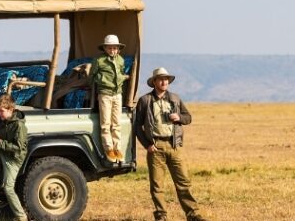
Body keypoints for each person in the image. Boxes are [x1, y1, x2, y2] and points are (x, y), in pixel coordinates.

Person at [133, 67, 207, 221]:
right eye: (160, 79)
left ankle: (193, 214)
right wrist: (147, 144)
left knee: (183, 182)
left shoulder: (175, 99)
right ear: (154, 82)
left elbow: (188, 118)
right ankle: (161, 216)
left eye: (166, 79)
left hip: (174, 146)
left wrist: (178, 117)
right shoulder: (145, 100)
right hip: (155, 147)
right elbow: (137, 126)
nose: (164, 81)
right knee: (157, 186)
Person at [87, 33, 128, 161]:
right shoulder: (99, 60)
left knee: (116, 123)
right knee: (105, 123)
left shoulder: (121, 60)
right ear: (105, 48)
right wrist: (100, 81)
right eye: (109, 48)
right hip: (104, 94)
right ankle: (108, 149)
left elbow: (121, 73)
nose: (112, 50)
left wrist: (123, 79)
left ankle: (117, 148)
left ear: (118, 48)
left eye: (114, 48)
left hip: (117, 94)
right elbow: (91, 76)